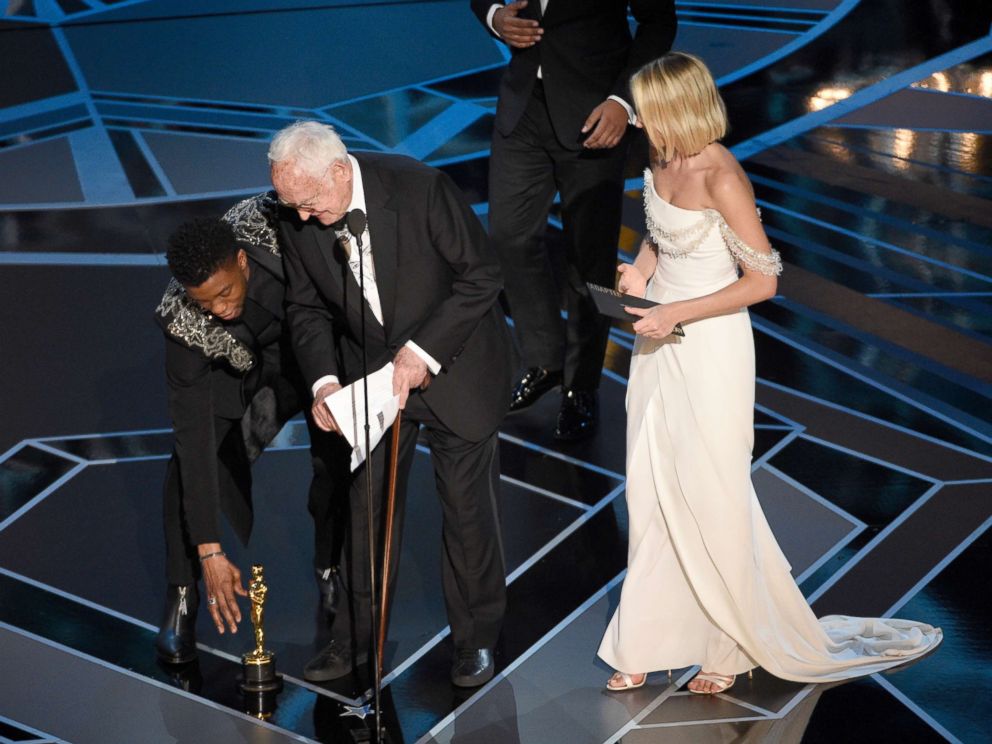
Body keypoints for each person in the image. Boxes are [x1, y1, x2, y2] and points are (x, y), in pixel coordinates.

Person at [598, 52, 942, 694]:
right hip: (658, 341)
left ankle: (728, 647)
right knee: (650, 489)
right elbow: (660, 227)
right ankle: (647, 637)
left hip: (711, 348)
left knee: (711, 493)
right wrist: (641, 270)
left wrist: (676, 307)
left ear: (674, 108)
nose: (635, 117)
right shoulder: (661, 158)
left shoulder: (721, 176)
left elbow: (763, 282)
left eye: (644, 107)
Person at [269, 121, 514, 688]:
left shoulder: (419, 188)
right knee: (366, 511)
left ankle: (475, 640)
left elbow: (482, 276)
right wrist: (324, 383)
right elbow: (304, 309)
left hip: (455, 364)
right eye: (293, 206)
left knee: (466, 510)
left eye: (308, 203)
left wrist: (421, 353)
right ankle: (356, 640)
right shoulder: (299, 213)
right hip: (371, 377)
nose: (302, 217)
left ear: (338, 169)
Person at [470, 0, 677, 440]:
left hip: (596, 113)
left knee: (589, 261)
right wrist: (493, 16)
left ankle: (581, 384)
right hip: (524, 105)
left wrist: (624, 100)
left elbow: (659, 20)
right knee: (508, 236)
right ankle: (544, 360)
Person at [154, 205, 347, 665]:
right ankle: (182, 594)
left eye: (223, 293)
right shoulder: (183, 323)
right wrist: (210, 550)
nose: (219, 309)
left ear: (242, 261)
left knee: (336, 455)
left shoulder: (273, 229)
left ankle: (330, 565)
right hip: (240, 369)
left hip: (314, 344)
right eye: (206, 303)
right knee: (189, 463)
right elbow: (193, 435)